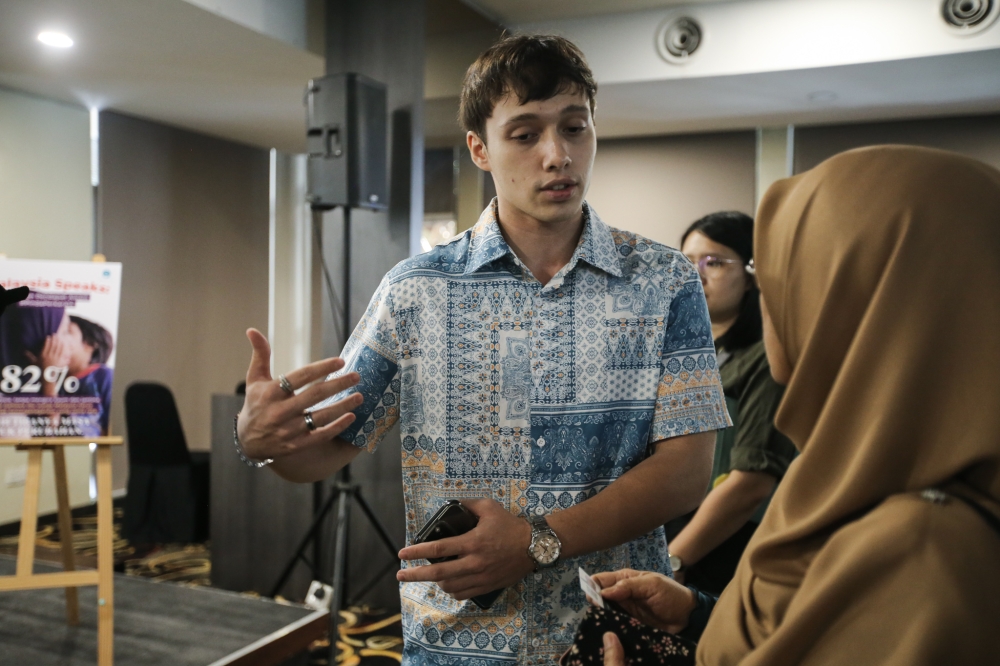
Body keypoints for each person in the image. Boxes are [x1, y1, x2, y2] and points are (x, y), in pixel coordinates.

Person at [235, 34, 731, 665]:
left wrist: (536, 542)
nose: (557, 155)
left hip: (615, 632)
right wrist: (262, 442)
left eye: (575, 128)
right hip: (459, 644)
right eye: (525, 134)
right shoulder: (415, 290)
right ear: (481, 149)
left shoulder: (663, 281)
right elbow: (325, 449)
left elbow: (687, 471)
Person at [597, 145, 1000, 665]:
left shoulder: (925, 556)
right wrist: (698, 615)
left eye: (786, 279)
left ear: (852, 303)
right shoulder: (841, 481)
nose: (774, 302)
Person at [665, 212, 796, 594]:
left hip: (726, 546)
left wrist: (674, 560)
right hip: (676, 529)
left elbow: (751, 483)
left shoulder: (767, 358)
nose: (696, 275)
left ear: (754, 273)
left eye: (714, 263)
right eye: (687, 262)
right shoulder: (690, 354)